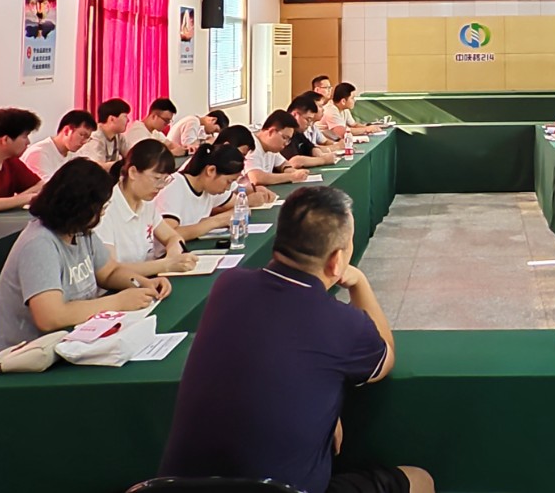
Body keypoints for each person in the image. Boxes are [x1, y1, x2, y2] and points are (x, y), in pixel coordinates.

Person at [158, 186, 434, 493]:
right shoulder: (344, 324)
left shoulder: (227, 284)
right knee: (419, 480)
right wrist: (359, 283)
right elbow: (385, 357)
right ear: (336, 260)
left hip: (174, 488)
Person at [0, 159, 171, 352]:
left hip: (76, 339)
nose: (103, 214)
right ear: (80, 207)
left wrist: (142, 283)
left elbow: (109, 272)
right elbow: (50, 317)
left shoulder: (80, 231)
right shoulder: (39, 244)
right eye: (100, 208)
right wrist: (118, 302)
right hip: (34, 354)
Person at [96, 139, 197, 277]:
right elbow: (111, 270)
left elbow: (173, 236)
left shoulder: (147, 203)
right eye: (157, 178)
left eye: (165, 180)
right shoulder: (106, 210)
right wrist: (166, 265)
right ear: (133, 172)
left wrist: (173, 254)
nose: (161, 186)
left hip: (148, 280)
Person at [157, 144, 244, 240]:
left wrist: (222, 218)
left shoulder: (210, 188)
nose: (228, 188)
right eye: (228, 181)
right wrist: (215, 222)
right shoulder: (174, 186)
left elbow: (242, 208)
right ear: (211, 171)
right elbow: (168, 235)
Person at [209, 125, 279, 210]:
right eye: (241, 154)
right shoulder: (212, 170)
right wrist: (248, 201)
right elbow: (211, 209)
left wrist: (255, 189)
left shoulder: (225, 170)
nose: (242, 160)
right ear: (227, 146)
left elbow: (235, 189)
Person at [21, 110, 97, 182]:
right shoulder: (38, 153)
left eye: (87, 138)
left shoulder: (74, 155)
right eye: (82, 135)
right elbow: (45, 187)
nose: (84, 142)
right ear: (67, 131)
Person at [247, 111, 311, 186]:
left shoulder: (271, 148)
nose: (286, 143)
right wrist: (292, 176)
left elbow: (283, 163)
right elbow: (257, 178)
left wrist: (290, 170)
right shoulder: (251, 145)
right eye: (285, 138)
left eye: (288, 140)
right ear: (271, 132)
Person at [282, 94, 341, 169]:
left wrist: (320, 155)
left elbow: (311, 147)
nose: (309, 124)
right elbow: (294, 161)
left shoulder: (298, 132)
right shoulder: (284, 131)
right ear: (295, 115)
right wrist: (323, 160)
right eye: (308, 119)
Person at [79, 98, 131, 170]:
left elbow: (131, 156)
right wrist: (120, 165)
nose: (128, 120)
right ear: (112, 119)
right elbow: (97, 167)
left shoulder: (118, 136)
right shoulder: (95, 137)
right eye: (125, 116)